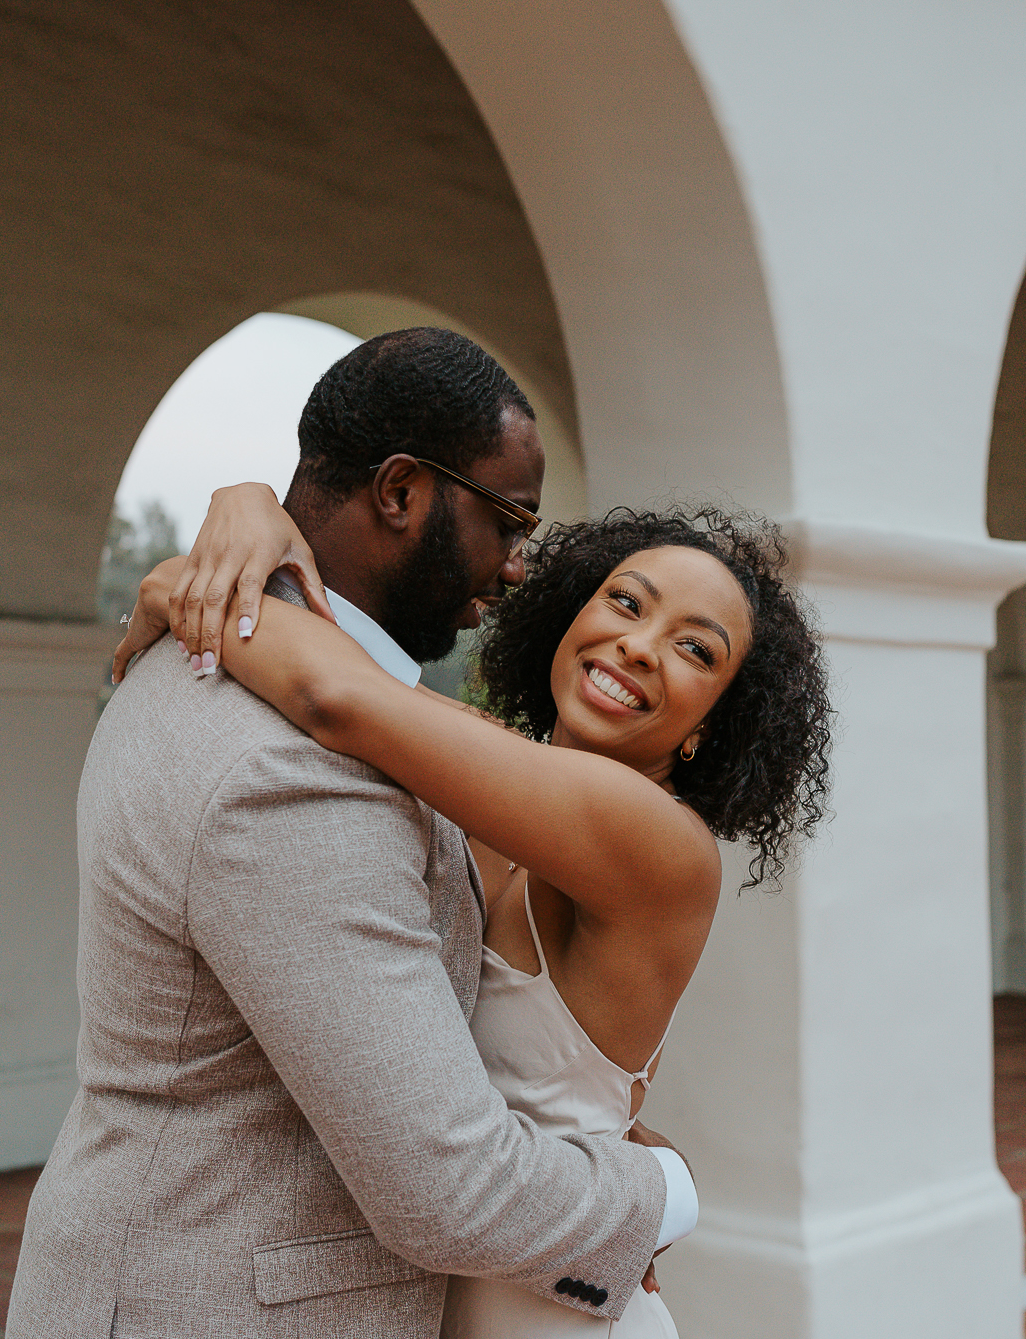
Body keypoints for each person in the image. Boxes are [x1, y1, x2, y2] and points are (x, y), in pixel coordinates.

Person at [7, 328, 701, 1339]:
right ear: (400, 493)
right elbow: (448, 1191)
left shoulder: (247, 662)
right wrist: (661, 1188)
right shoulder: (290, 764)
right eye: (507, 518)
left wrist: (231, 523)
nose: (514, 570)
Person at [120, 485, 833, 1335]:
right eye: (626, 601)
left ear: (708, 727)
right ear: (572, 614)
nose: (639, 645)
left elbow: (338, 696)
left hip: (548, 1315)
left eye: (694, 650)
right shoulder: (490, 780)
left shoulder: (661, 846)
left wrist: (193, 582)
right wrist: (243, 511)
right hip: (431, 1290)